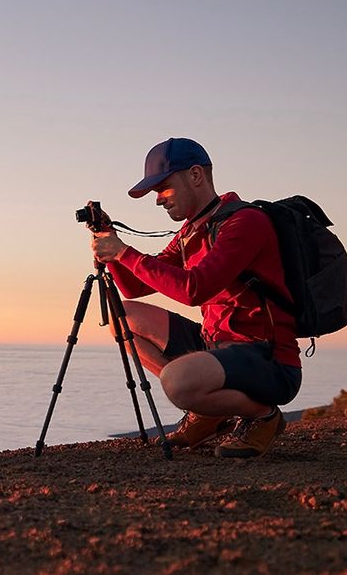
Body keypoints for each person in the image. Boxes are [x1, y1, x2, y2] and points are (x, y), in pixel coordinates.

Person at [89, 137, 300, 458]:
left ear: (196, 175)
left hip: (267, 357)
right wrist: (113, 253)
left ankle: (262, 416)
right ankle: (208, 410)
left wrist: (124, 253)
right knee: (123, 317)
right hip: (216, 346)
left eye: (164, 188)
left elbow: (194, 289)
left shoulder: (244, 223)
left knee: (177, 383)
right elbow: (135, 288)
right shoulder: (190, 232)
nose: (158, 199)